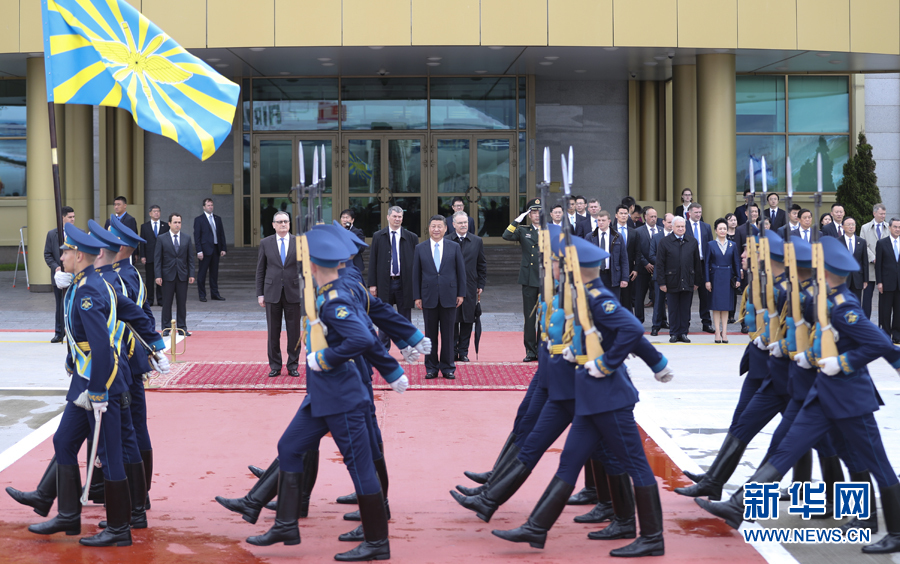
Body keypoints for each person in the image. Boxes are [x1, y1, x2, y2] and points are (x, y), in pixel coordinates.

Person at [697, 237, 900, 556]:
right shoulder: (821, 299)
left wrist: (843, 362)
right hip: (821, 393)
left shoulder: (844, 306)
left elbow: (880, 344)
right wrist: (805, 350)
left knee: (870, 462)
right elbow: (798, 318)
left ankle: (891, 528)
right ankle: (739, 506)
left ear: (829, 272)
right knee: (786, 448)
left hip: (851, 399)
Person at [246, 228, 395, 561]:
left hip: (342, 396)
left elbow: (363, 339)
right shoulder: (324, 291)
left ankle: (376, 542)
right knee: (289, 447)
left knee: (360, 469)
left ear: (312, 264)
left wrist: (324, 357)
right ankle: (286, 524)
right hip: (323, 394)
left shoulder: (334, 297)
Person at [28, 223, 164, 547]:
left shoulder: (90, 289)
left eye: (64, 251)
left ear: (78, 255)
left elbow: (101, 347)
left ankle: (119, 529)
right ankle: (68, 515)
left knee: (110, 452)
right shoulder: (86, 282)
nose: (60, 255)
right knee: (63, 441)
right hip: (86, 381)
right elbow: (128, 309)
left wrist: (99, 391)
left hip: (99, 384)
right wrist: (156, 340)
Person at [413, 216, 466, 379]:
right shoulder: (420, 248)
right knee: (430, 334)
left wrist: (461, 293)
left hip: (449, 296)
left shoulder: (454, 247)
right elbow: (416, 274)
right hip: (428, 296)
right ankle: (431, 368)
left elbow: (460, 272)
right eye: (433, 226)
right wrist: (417, 296)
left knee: (449, 334)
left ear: (445, 228)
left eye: (439, 226)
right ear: (429, 228)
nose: (436, 229)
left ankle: (448, 367)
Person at [257, 211, 302, 378]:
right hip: (272, 293)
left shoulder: (299, 242)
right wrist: (260, 293)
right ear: (273, 225)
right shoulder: (265, 243)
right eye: (280, 222)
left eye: (286, 221)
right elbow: (260, 269)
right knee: (273, 332)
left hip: (293, 292)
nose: (283, 224)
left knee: (294, 332)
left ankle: (293, 365)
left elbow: (305, 269)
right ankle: (275, 365)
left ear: (289, 224)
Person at [368, 206, 418, 351]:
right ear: (388, 217)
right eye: (395, 216)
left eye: (400, 217)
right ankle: (383, 348)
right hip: (385, 283)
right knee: (384, 317)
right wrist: (372, 284)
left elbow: (416, 264)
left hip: (404, 283)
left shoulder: (411, 237)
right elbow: (373, 261)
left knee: (405, 318)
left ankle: (406, 348)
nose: (397, 219)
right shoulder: (378, 236)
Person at [503, 198, 542, 362]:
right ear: (529, 214)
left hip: (546, 278)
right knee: (530, 317)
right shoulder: (523, 230)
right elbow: (506, 235)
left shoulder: (550, 230)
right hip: (528, 278)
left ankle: (543, 350)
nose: (537, 215)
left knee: (545, 317)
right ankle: (530, 351)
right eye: (533, 212)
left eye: (539, 212)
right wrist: (517, 219)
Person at [447, 211, 486, 363]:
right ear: (453, 224)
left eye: (465, 222)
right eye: (460, 223)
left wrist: (480, 284)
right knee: (452, 320)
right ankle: (452, 351)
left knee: (468, 320)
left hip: (470, 286)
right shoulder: (447, 240)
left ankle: (463, 352)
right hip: (451, 286)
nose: (464, 225)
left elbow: (481, 264)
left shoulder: (476, 241)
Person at [656, 217, 702, 343]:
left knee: (685, 308)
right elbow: (660, 264)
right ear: (672, 227)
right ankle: (674, 333)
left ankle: (683, 332)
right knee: (673, 308)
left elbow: (697, 263)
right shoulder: (664, 242)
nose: (681, 229)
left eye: (683, 226)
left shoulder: (692, 241)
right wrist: (661, 282)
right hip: (671, 281)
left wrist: (697, 281)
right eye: (678, 226)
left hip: (688, 280)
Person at [154, 213, 195, 337]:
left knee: (181, 303)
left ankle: (182, 327)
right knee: (167, 302)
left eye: (179, 222)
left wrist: (191, 273)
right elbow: (157, 259)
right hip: (167, 275)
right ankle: (166, 328)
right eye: (175, 222)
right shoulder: (161, 238)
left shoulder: (186, 238)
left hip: (182, 275)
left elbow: (190, 259)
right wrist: (158, 275)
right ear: (169, 224)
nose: (177, 225)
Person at [705, 219, 741, 343]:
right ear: (715, 230)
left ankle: (724, 332)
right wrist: (707, 280)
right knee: (716, 306)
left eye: (724, 228)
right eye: (720, 228)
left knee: (726, 306)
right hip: (715, 276)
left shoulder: (732, 245)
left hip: (728, 277)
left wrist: (738, 278)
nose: (722, 231)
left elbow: (736, 262)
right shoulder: (711, 245)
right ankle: (716, 332)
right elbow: (706, 264)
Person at [44, 206, 75, 343]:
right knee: (60, 305)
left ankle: (74, 332)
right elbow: (48, 254)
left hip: (75, 276)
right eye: (70, 217)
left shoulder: (79, 233)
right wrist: (56, 267)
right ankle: (59, 332)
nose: (73, 219)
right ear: (62, 217)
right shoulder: (52, 234)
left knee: (74, 303)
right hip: (59, 276)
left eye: (74, 217)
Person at [685, 203, 714, 333]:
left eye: (700, 212)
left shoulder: (706, 227)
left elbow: (710, 246)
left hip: (703, 264)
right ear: (689, 213)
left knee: (705, 295)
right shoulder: (683, 226)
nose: (698, 214)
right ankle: (685, 323)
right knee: (687, 295)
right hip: (688, 264)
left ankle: (706, 322)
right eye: (696, 212)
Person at [589, 210, 629, 300]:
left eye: (603, 220)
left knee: (613, 302)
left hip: (612, 275)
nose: (601, 222)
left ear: (609, 221)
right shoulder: (590, 237)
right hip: (596, 275)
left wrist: (625, 278)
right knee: (596, 302)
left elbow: (624, 259)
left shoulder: (617, 237)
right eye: (599, 220)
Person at [194, 198, 227, 302]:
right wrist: (199, 250)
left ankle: (215, 294)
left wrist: (223, 248)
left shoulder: (217, 218)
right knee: (202, 274)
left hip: (216, 249)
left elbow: (221, 234)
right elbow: (197, 236)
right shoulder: (199, 219)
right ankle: (202, 295)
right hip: (204, 250)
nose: (210, 207)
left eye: (211, 205)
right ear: (204, 207)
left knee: (214, 274)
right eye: (208, 205)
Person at [860, 203, 888, 319]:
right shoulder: (865, 228)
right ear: (874, 213)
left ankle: (883, 324)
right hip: (870, 269)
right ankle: (865, 323)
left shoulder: (889, 227)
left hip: (885, 269)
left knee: (885, 299)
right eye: (881, 214)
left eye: (884, 214)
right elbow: (862, 245)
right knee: (867, 298)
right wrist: (873, 258)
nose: (883, 216)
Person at [632, 206, 659, 325]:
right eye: (651, 216)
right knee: (639, 296)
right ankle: (639, 319)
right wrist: (646, 263)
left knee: (659, 296)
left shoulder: (662, 231)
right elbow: (636, 251)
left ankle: (661, 320)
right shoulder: (638, 231)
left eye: (655, 217)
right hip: (643, 269)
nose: (653, 219)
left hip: (658, 269)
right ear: (645, 217)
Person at [875, 218, 900, 343]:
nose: (897, 229)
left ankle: (897, 335)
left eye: (899, 227)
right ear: (889, 228)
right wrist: (879, 282)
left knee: (898, 311)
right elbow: (878, 265)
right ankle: (885, 336)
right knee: (885, 311)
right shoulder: (882, 243)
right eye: (895, 227)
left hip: (899, 284)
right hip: (886, 283)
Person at [139, 205, 168, 307]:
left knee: (161, 279)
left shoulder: (165, 226)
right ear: (150, 213)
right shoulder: (144, 226)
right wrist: (142, 256)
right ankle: (150, 300)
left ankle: (161, 300)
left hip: (162, 257)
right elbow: (142, 242)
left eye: (158, 211)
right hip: (149, 257)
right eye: (154, 211)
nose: (156, 213)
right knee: (150, 279)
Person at [648, 214, 673, 336]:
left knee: (674, 302)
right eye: (668, 222)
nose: (670, 224)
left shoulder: (678, 237)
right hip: (660, 274)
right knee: (658, 302)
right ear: (663, 222)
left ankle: (674, 326)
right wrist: (663, 263)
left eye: (672, 222)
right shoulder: (656, 237)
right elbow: (651, 255)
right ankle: (655, 326)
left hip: (674, 275)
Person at [614, 205, 638, 315]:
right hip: (613, 269)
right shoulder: (610, 230)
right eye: (621, 213)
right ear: (616, 215)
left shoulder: (633, 232)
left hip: (628, 269)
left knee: (627, 299)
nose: (623, 216)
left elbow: (638, 252)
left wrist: (636, 269)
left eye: (625, 214)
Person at [843, 217, 869, 302]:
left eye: (853, 224)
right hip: (843, 279)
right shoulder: (838, 241)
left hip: (857, 279)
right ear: (843, 227)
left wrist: (865, 279)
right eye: (848, 225)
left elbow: (864, 261)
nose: (851, 227)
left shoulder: (862, 242)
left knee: (856, 303)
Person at [339, 209, 366, 276]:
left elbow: (362, 248)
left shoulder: (357, 232)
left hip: (354, 264)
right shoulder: (337, 231)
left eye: (347, 217)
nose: (345, 220)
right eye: (343, 217)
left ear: (352, 220)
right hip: (340, 264)